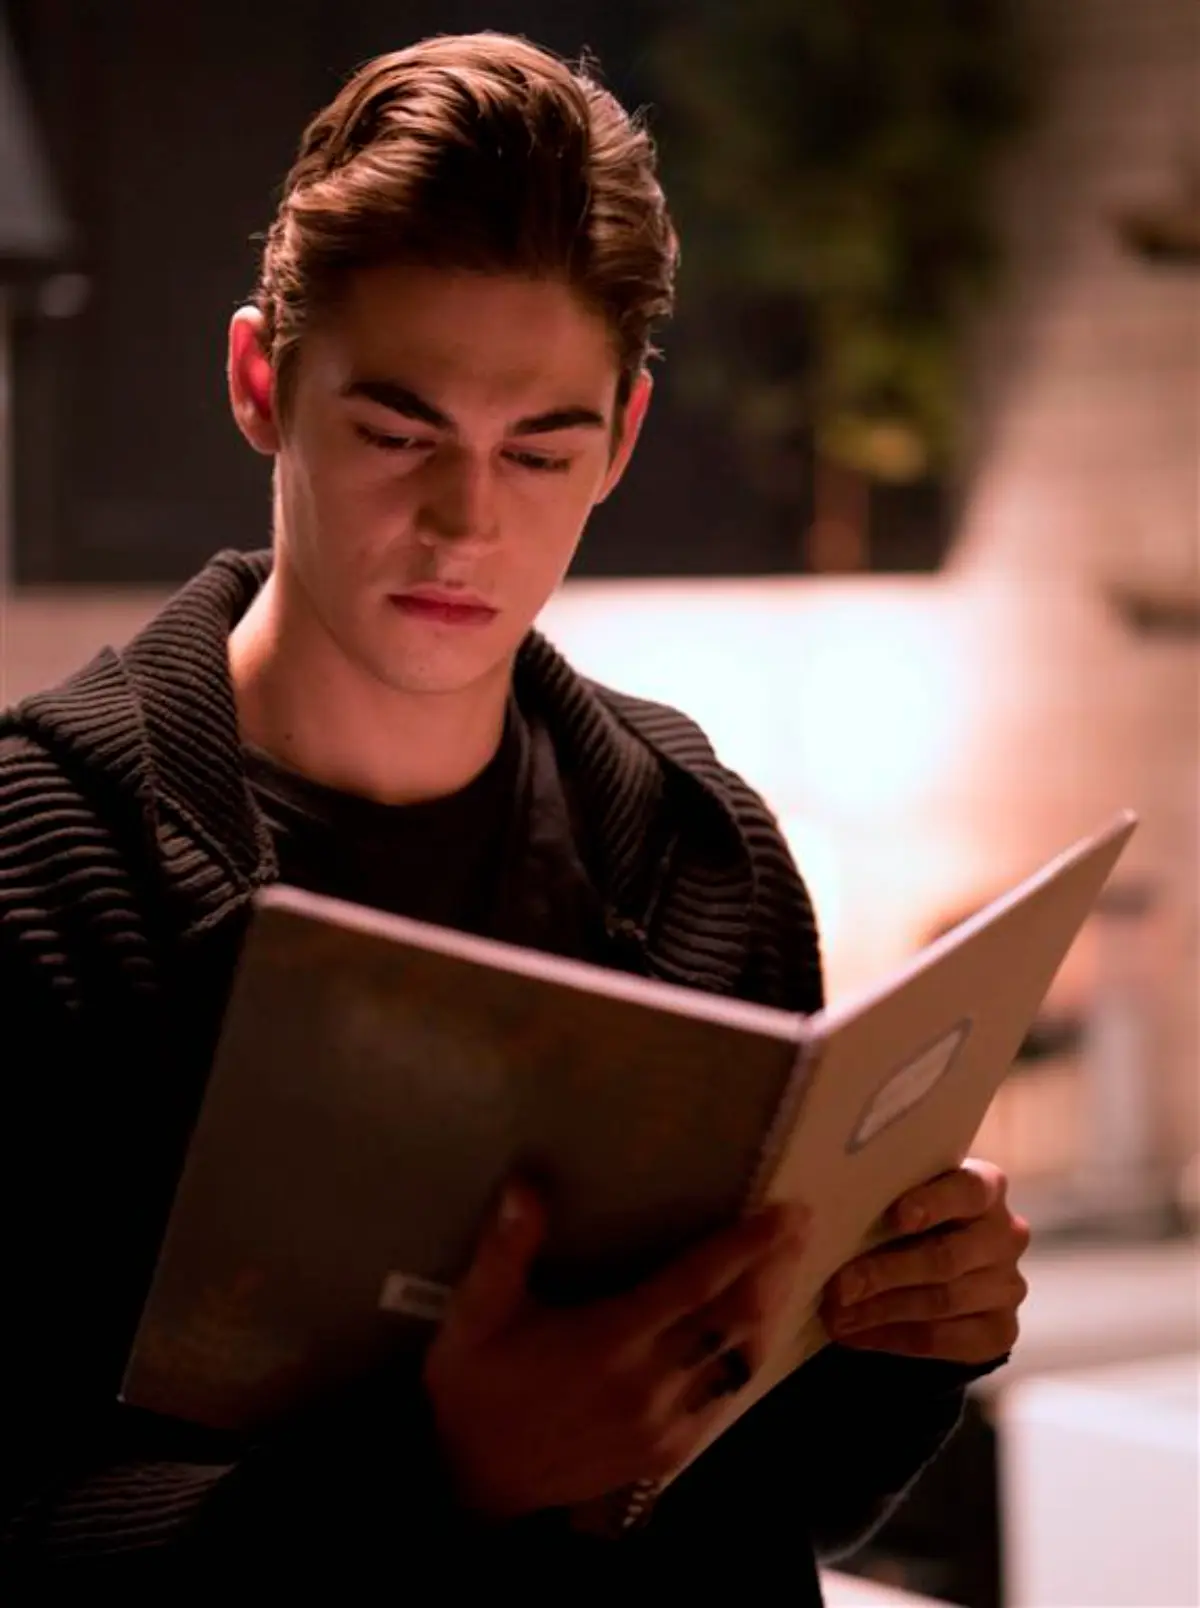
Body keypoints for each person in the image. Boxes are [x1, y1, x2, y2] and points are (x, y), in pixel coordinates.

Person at [0, 31, 1029, 1591]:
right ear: (261, 383)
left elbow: (780, 1508)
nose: (463, 523)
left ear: (621, 439)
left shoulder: (703, 851)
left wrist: (908, 1335)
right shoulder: (40, 870)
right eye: (397, 433)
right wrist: (438, 1480)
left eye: (540, 450)